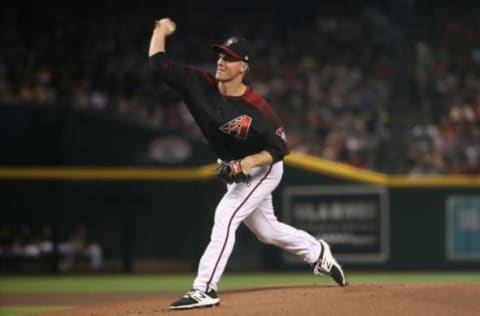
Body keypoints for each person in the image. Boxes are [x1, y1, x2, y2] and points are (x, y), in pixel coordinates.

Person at [148, 17, 348, 310]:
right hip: (235, 163)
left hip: (263, 167)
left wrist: (248, 162)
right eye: (220, 56)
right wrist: (160, 31)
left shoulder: (258, 108)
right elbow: (157, 64)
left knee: (226, 215)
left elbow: (280, 149)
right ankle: (318, 252)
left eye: (229, 59)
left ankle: (204, 288)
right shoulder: (197, 84)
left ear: (243, 67)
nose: (221, 62)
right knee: (267, 231)